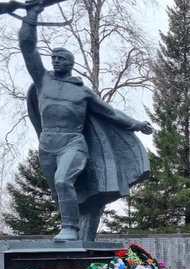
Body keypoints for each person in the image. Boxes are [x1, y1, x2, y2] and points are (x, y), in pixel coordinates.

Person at [19, 3, 152, 242]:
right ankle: (78, 230)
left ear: (70, 63)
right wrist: (31, 17)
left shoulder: (83, 93)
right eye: (54, 58)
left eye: (61, 59)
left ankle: (69, 228)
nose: (56, 61)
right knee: (62, 191)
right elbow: (27, 48)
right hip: (48, 143)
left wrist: (137, 124)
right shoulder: (42, 81)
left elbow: (110, 113)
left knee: (63, 180)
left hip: (73, 142)